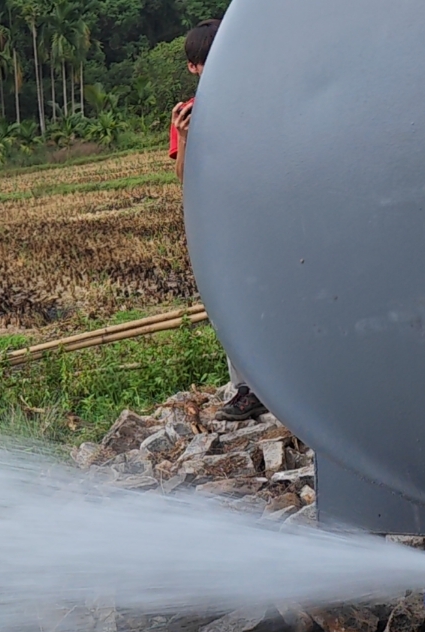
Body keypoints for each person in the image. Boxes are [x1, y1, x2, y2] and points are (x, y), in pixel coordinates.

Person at [169, 18, 267, 422]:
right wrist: (186, 136)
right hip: (224, 225)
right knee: (233, 303)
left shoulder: (255, 100)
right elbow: (184, 179)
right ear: (194, 67)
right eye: (206, 63)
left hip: (261, 215)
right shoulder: (188, 115)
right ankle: (249, 389)